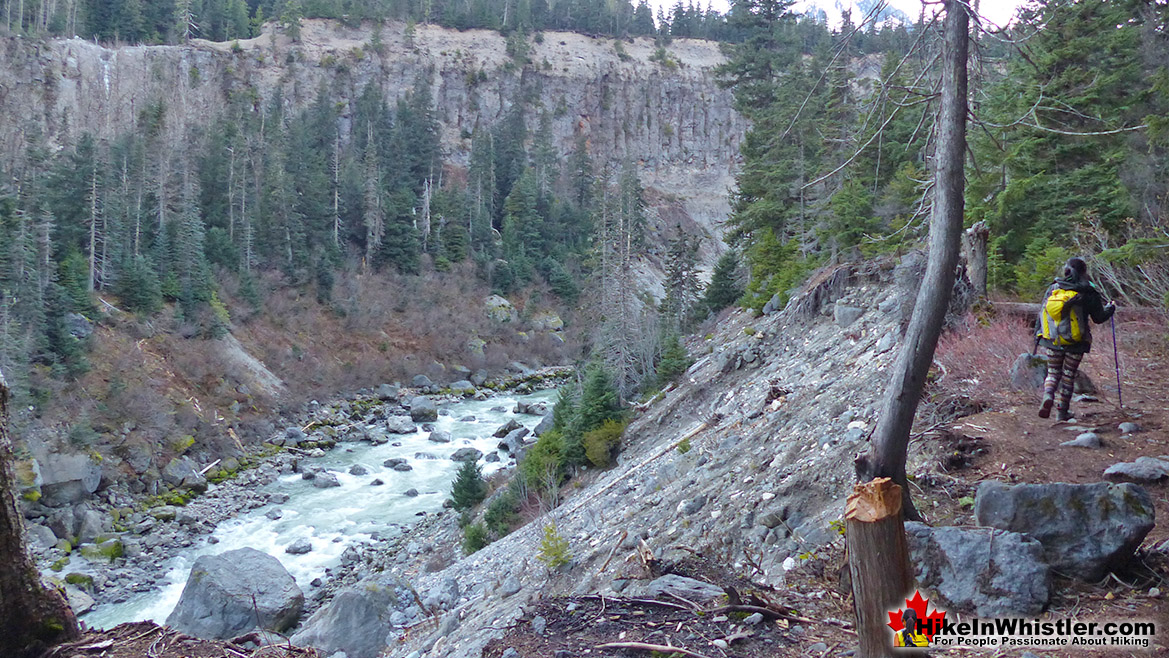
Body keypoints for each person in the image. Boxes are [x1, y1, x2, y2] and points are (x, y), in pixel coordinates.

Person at [1035, 257, 1115, 421]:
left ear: (1066, 270)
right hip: (1077, 342)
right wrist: (1110, 309)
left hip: (1053, 340)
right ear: (1084, 272)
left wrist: (1038, 335)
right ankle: (1062, 412)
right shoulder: (1088, 292)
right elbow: (1099, 318)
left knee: (1053, 373)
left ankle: (1048, 395)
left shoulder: (1054, 288)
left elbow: (1042, 313)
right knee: (1068, 375)